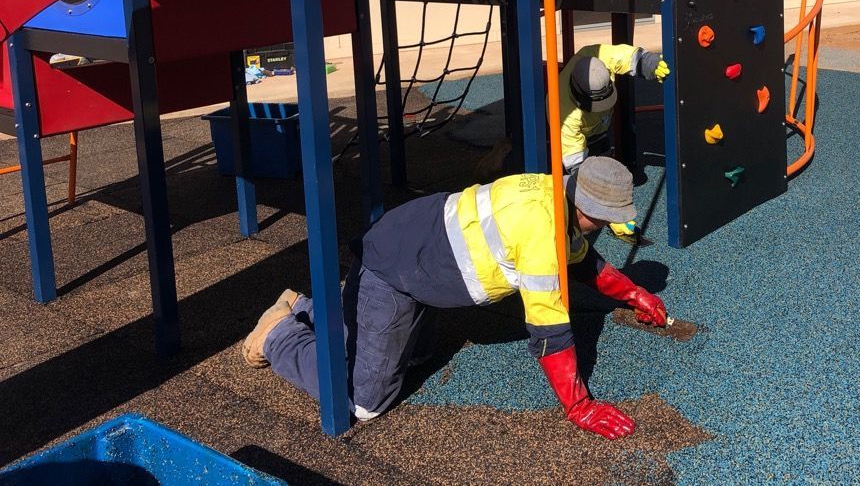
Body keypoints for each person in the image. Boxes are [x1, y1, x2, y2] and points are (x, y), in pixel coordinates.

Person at [243, 156, 668, 438]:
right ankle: (280, 334)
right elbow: (550, 330)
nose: (613, 224)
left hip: (420, 258)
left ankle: (308, 307)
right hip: (394, 269)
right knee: (365, 401)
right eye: (608, 217)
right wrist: (579, 405)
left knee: (418, 356)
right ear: (585, 206)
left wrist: (633, 293)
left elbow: (580, 262)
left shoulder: (556, 194)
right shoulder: (543, 229)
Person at [559, 44, 669, 243]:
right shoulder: (565, 116)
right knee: (587, 175)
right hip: (585, 132)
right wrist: (606, 210)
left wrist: (652, 64)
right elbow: (578, 169)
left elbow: (629, 57)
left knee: (603, 155)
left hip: (598, 125)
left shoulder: (595, 57)